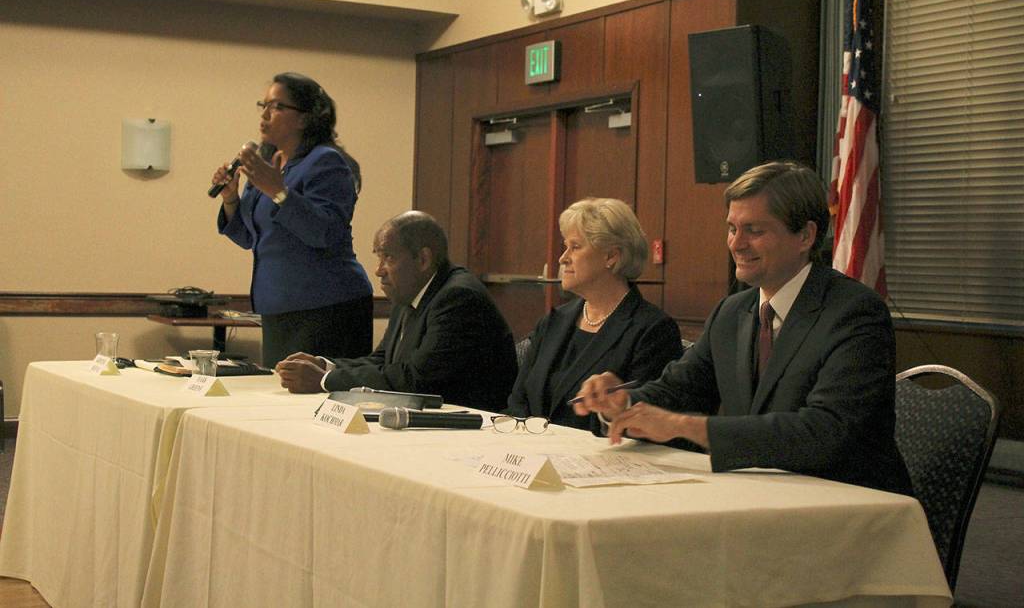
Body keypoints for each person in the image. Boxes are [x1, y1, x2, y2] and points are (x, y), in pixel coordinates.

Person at [572, 161, 911, 494]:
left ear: (805, 236)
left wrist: (689, 427)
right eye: (733, 228)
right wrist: (622, 403)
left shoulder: (854, 312)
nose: (736, 243)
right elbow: (678, 391)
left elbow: (825, 432)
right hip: (756, 494)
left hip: (847, 506)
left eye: (755, 230)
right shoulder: (732, 312)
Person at [275, 211, 518, 412]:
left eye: (388, 257)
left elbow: (416, 380)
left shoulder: (458, 299)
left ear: (423, 259)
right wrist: (326, 365)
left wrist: (322, 381)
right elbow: (382, 361)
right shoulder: (411, 293)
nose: (379, 270)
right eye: (378, 258)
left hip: (471, 428)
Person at [211, 72, 373, 368]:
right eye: (263, 105)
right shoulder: (271, 165)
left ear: (304, 118)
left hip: (327, 306)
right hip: (279, 307)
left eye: (276, 106)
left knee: (314, 403)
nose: (265, 114)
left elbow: (324, 232)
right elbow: (253, 238)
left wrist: (279, 191)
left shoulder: (325, 162)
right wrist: (232, 198)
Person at [505, 198, 683, 429]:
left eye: (576, 247)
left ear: (611, 256)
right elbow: (518, 401)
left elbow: (646, 419)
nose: (563, 258)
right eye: (565, 246)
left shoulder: (653, 330)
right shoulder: (553, 322)